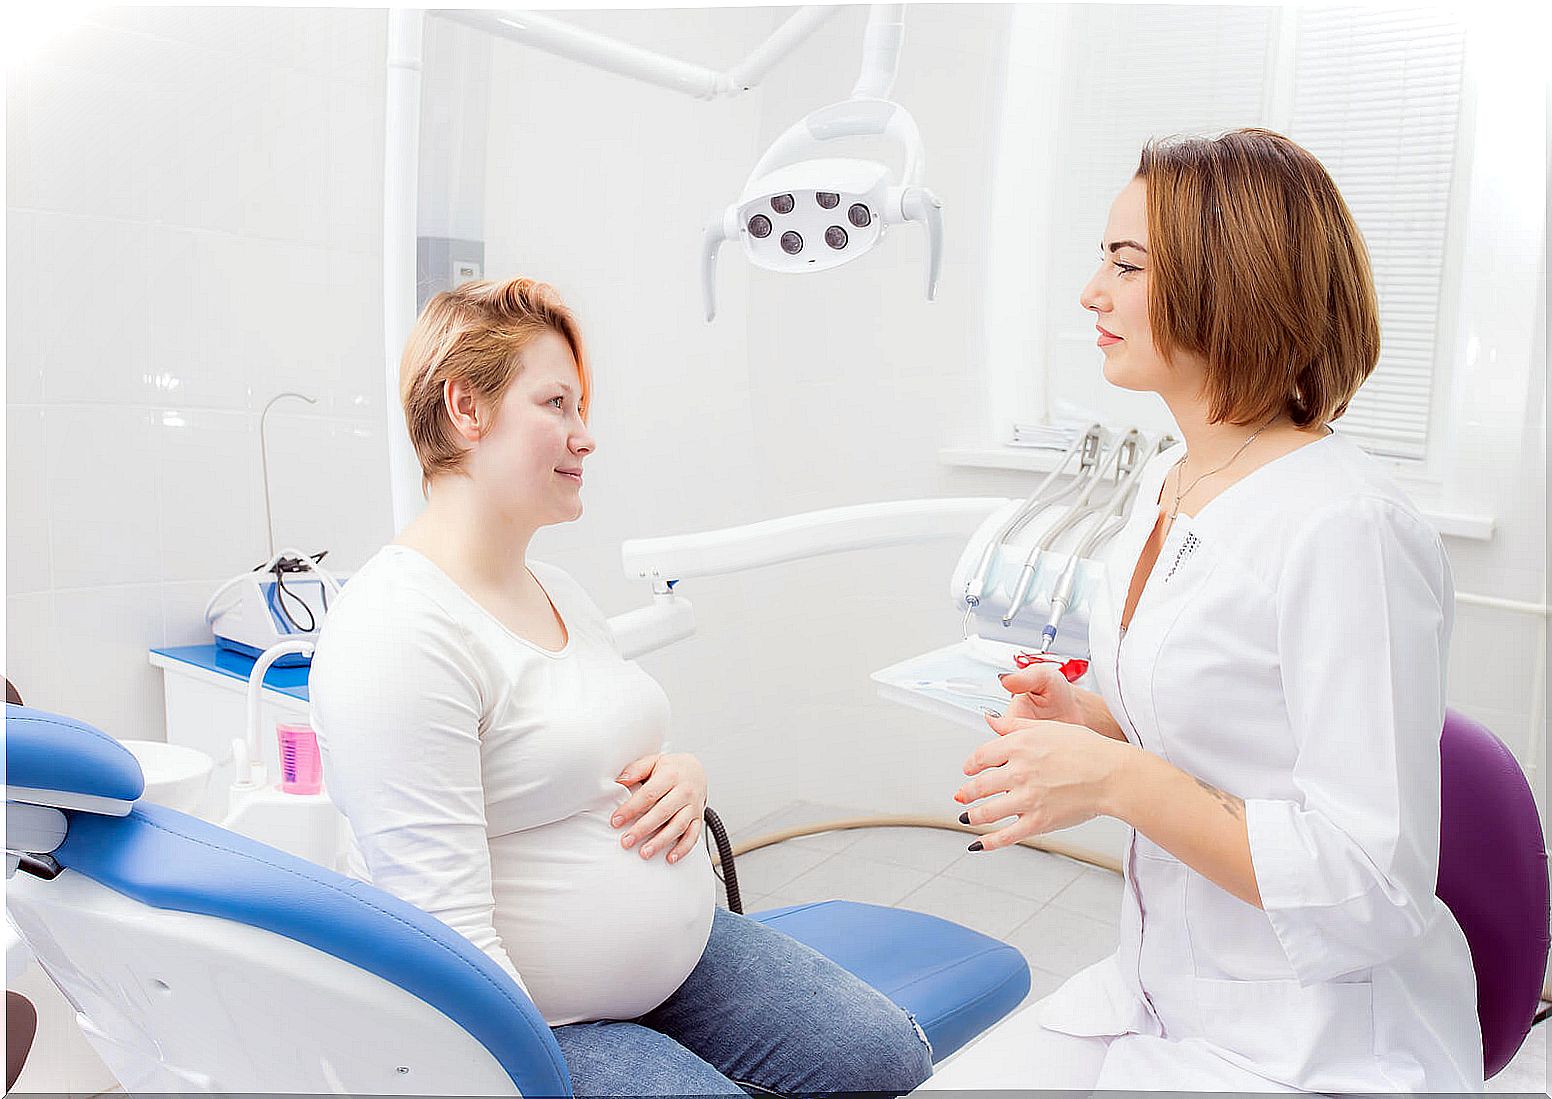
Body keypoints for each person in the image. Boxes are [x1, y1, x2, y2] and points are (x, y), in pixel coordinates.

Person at [922, 129, 1481, 1092]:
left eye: (1125, 263)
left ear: (1234, 283)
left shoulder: (1347, 529)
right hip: (1160, 991)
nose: (1092, 292)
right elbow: (1215, 716)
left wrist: (1111, 780)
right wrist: (1090, 716)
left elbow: (1372, 888)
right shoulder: (1171, 481)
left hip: (1314, 1038)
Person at [309, 278, 933, 1096]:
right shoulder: (398, 634)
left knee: (888, 1059)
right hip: (533, 1022)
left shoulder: (557, 588)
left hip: (677, 960)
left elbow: (597, 748)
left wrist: (685, 775)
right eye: (557, 403)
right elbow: (445, 941)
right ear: (467, 408)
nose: (585, 435)